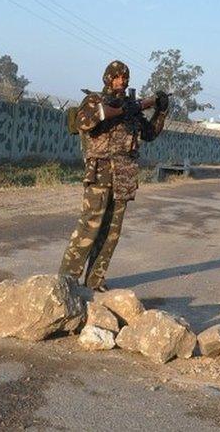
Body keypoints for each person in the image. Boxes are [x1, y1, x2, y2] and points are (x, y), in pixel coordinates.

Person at [59, 60, 169, 291]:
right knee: (89, 228)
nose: (121, 81)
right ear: (107, 78)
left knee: (111, 232)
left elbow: (148, 134)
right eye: (116, 77)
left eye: (125, 77)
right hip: (100, 173)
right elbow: (85, 121)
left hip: (124, 176)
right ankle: (67, 280)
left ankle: (95, 280)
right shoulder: (94, 100)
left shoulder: (132, 107)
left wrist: (161, 110)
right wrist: (124, 109)